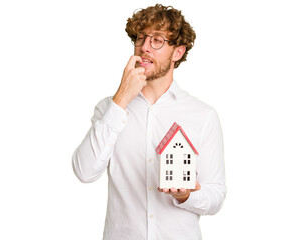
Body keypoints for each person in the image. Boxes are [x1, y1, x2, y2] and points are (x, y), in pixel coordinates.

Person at [72, 4, 226, 240]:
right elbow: (84, 172)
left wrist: (187, 196)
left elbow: (215, 196)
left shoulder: (202, 115)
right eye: (140, 38)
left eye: (157, 40)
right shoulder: (109, 108)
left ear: (177, 52)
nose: (144, 47)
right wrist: (121, 99)